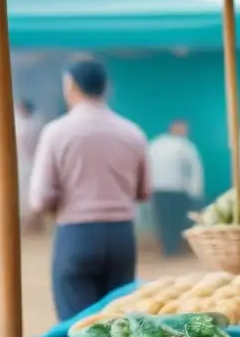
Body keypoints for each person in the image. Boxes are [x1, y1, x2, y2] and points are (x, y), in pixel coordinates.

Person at [29, 59, 150, 321]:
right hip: (121, 236)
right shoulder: (132, 132)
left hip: (76, 235)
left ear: (70, 86)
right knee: (119, 327)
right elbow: (143, 192)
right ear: (106, 88)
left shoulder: (56, 132)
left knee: (77, 328)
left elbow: (40, 198)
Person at [147, 119, 204, 257]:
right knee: (170, 221)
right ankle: (171, 249)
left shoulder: (158, 143)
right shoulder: (177, 145)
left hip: (170, 189)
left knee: (171, 221)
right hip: (168, 189)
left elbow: (194, 170)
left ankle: (172, 249)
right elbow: (195, 170)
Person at [15, 99, 44, 231]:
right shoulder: (20, 121)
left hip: (31, 162)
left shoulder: (34, 123)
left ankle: (33, 223)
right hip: (22, 162)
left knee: (30, 194)